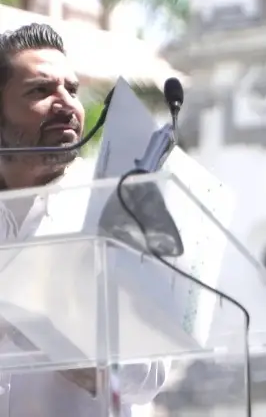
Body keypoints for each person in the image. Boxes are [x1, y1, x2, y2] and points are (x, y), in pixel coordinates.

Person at [0, 23, 165, 415]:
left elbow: (149, 374)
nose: (67, 104)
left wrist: (35, 327)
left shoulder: (119, 204)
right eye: (40, 90)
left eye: (71, 90)